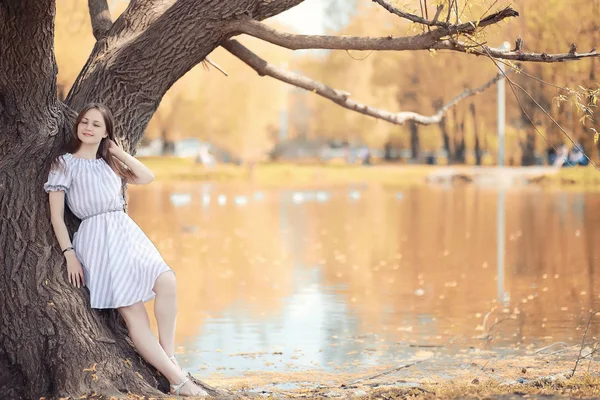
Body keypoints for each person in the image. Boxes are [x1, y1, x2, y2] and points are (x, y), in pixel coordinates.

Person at [44, 103, 207, 397]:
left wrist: (116, 151)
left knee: (167, 281)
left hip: (126, 233)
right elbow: (57, 216)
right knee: (134, 313)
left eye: (96, 124)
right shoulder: (64, 163)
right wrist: (69, 254)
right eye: (85, 122)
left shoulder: (110, 163)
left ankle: (168, 358)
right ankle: (180, 382)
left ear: (106, 131)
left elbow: (146, 177)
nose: (88, 128)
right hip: (96, 239)